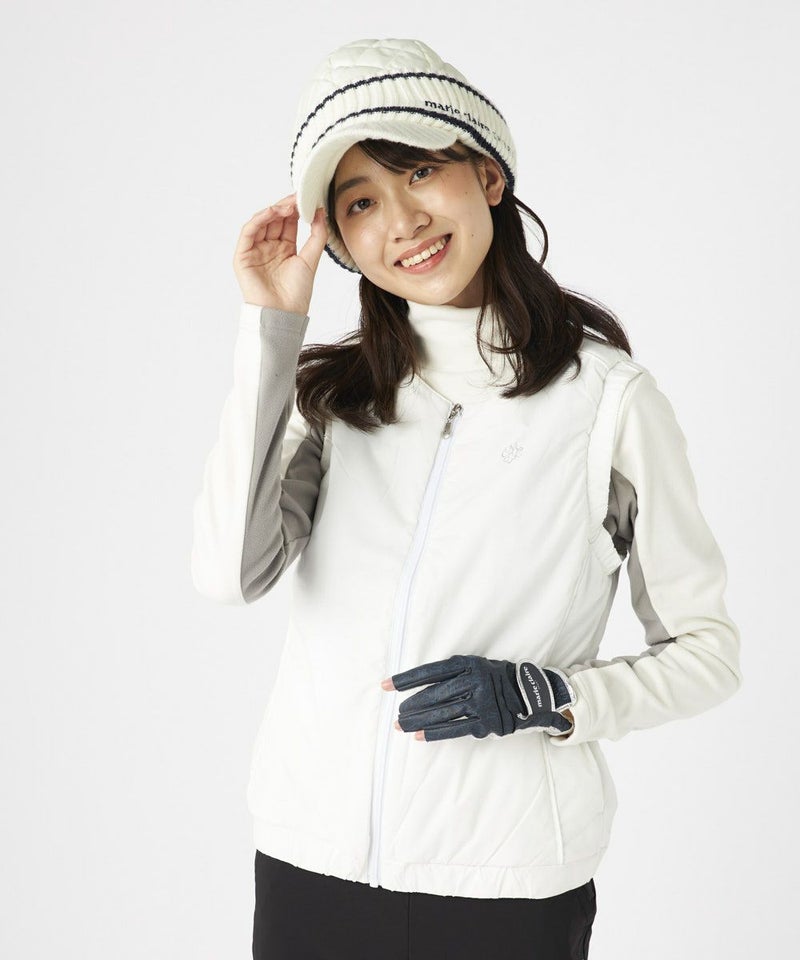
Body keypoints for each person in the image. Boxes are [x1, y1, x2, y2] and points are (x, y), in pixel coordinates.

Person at [190, 37, 742, 960]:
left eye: (419, 171)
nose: (401, 220)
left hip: (506, 887)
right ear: (339, 240)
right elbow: (227, 573)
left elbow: (708, 653)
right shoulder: (333, 399)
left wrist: (550, 698)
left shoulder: (608, 403)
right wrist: (271, 331)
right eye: (360, 202)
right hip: (309, 863)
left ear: (487, 175)